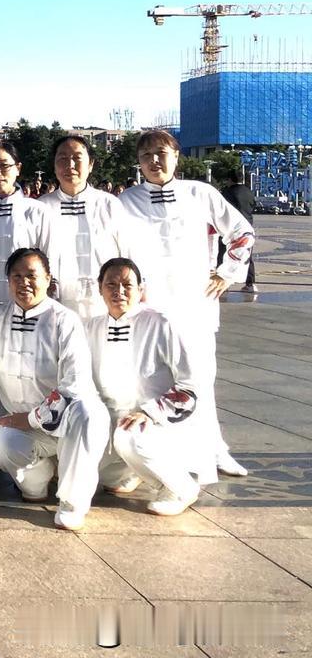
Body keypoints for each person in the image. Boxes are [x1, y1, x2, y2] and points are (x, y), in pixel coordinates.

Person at [120, 128, 255, 479]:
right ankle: (150, 454)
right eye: (146, 155)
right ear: (138, 162)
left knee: (200, 379)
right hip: (147, 309)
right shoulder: (126, 200)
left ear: (176, 156)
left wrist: (226, 273)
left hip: (194, 304)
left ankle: (214, 450)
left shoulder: (200, 193)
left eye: (161, 153)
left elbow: (242, 232)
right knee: (149, 381)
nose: (154, 160)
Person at [0, 248, 109, 530]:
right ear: (8, 281)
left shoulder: (65, 320)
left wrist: (31, 418)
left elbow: (74, 386)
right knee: (0, 442)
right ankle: (38, 481)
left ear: (48, 279)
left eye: (31, 275)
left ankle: (72, 503)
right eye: (16, 276)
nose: (24, 282)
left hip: (70, 423)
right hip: (29, 429)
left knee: (86, 411)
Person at [88, 258, 202, 516]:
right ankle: (130, 471)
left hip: (153, 421)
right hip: (109, 419)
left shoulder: (160, 323)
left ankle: (181, 488)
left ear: (141, 289)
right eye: (111, 284)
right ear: (100, 288)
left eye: (127, 285)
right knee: (92, 471)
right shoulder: (92, 327)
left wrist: (150, 413)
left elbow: (190, 385)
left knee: (129, 435)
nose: (119, 291)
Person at [38, 135, 127, 320]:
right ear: (54, 165)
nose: (70, 165)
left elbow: (126, 255)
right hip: (55, 308)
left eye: (77, 158)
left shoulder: (109, 204)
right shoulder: (41, 207)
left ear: (90, 164)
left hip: (104, 306)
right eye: (62, 159)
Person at [0, 142, 56, 310]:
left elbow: (49, 259)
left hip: (26, 302)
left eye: (4, 166)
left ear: (18, 168)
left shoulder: (37, 210)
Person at [219, 168, 258, 298]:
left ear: (230, 179)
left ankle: (223, 283)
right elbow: (253, 206)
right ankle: (250, 284)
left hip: (231, 228)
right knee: (247, 256)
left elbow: (222, 209)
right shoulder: (249, 192)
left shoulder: (228, 192)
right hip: (247, 228)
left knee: (224, 254)